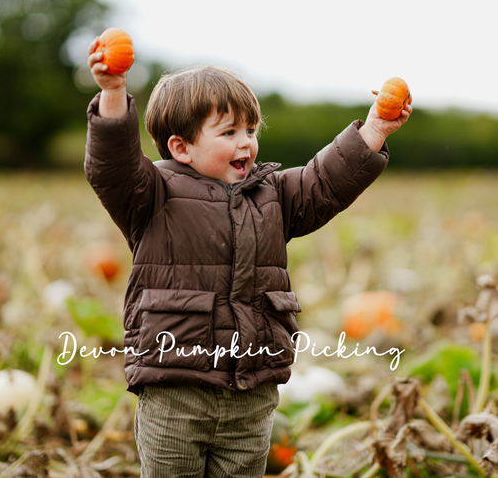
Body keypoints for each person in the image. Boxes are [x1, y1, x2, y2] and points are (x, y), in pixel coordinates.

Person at [86, 37, 412, 478]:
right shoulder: (150, 196)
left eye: (251, 130)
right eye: (229, 133)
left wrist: (374, 129)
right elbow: (113, 165)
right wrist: (112, 91)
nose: (246, 144)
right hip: (176, 392)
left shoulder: (273, 195)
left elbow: (326, 182)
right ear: (181, 147)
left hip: (252, 392)